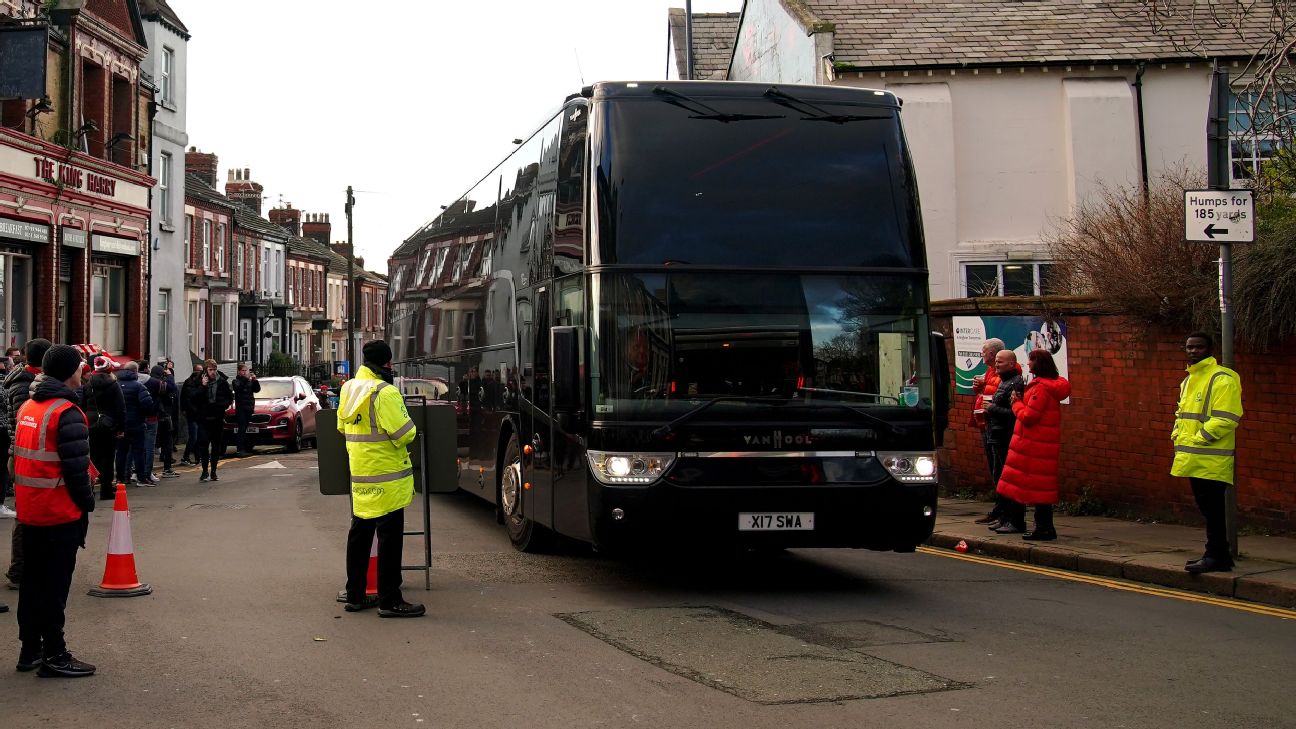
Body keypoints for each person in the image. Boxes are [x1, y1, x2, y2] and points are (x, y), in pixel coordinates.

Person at [13, 344, 97, 677]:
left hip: (31, 509)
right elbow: (76, 471)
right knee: (54, 586)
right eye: (79, 366)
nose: (82, 371)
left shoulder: (29, 407)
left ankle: (30, 649)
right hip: (59, 511)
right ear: (68, 371)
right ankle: (55, 654)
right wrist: (86, 504)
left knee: (32, 583)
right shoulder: (67, 412)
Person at [337, 341, 424, 618]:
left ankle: (356, 594)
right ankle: (390, 599)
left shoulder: (349, 388)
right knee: (389, 539)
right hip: (387, 477)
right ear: (386, 364)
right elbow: (404, 433)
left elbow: (341, 426)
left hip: (361, 474)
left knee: (360, 535)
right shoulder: (385, 392)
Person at [1172, 331, 1244, 575]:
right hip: (1194, 456)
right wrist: (1176, 434)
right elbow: (1182, 414)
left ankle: (1215, 555)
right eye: (1189, 347)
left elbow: (1227, 418)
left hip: (1212, 457)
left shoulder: (1222, 378)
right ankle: (1218, 555)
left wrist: (1199, 438)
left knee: (1213, 510)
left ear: (1210, 349)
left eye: (1199, 347)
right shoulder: (1189, 380)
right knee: (1208, 510)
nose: (1193, 351)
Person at [994, 349, 1071, 541]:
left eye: (1030, 360)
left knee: (1039, 490)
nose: (1027, 364)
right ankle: (1043, 527)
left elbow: (1029, 416)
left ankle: (1043, 529)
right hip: (1042, 445)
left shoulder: (1040, 388)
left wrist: (1016, 403)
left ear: (1038, 364)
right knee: (1041, 488)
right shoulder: (1050, 385)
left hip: (1035, 446)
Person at [4, 338, 52, 595]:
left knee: (30, 514)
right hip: (24, 455)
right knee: (26, 516)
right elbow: (27, 422)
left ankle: (28, 567)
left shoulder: (23, 380)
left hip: (24, 454)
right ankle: (19, 571)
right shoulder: (24, 386)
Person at [981, 349, 1024, 528]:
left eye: (1001, 362)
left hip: (1006, 437)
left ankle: (1014, 520)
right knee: (1001, 479)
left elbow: (1013, 414)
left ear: (1012, 364)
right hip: (997, 435)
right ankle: (1005, 517)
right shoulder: (1005, 382)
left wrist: (991, 409)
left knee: (1010, 480)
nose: (997, 365)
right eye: (996, 361)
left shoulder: (1015, 383)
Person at [970, 338, 1007, 525]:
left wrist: (984, 389)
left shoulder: (1003, 375)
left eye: (983, 352)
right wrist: (980, 387)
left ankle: (1003, 511)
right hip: (986, 424)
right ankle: (1000, 510)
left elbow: (998, 398)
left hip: (995, 425)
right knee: (995, 470)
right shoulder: (991, 371)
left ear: (992, 354)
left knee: (999, 470)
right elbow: (988, 391)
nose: (981, 354)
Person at [81, 357, 126, 501]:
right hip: (108, 424)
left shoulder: (87, 385)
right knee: (108, 457)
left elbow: (82, 406)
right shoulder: (113, 384)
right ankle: (106, 489)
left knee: (93, 458)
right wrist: (121, 427)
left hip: (91, 424)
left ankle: (90, 488)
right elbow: (121, 408)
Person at [114, 362, 153, 486]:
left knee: (121, 452)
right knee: (138, 452)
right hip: (137, 424)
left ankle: (120, 478)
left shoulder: (115, 386)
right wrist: (142, 415)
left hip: (120, 425)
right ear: (136, 372)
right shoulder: (139, 386)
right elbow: (147, 404)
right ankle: (141, 478)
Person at [194, 359, 233, 482]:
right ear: (206, 370)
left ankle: (214, 471)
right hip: (204, 419)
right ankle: (205, 471)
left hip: (217, 418)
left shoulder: (222, 382)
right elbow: (193, 398)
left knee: (216, 446)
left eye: (214, 369)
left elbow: (230, 397)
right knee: (204, 445)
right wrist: (203, 386)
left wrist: (224, 405)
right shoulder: (197, 381)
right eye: (210, 370)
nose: (213, 372)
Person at [150, 365, 179, 478]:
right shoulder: (160, 384)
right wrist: (170, 375)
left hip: (152, 417)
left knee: (151, 445)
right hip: (164, 416)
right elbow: (172, 387)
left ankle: (148, 470)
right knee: (167, 443)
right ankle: (167, 468)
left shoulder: (148, 382)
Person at [231, 363, 261, 456]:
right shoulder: (236, 381)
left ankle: (245, 447)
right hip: (241, 409)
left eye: (246, 370)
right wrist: (246, 378)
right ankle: (240, 449)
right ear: (239, 372)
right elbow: (238, 388)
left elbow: (257, 389)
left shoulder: (249, 381)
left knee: (245, 429)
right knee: (242, 428)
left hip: (249, 407)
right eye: (243, 371)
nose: (245, 372)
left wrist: (255, 380)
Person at [179, 364, 204, 466]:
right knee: (193, 437)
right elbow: (188, 399)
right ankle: (185, 457)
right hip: (192, 414)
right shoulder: (190, 383)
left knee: (198, 437)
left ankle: (198, 457)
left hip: (196, 414)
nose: (202, 373)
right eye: (200, 371)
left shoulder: (196, 382)